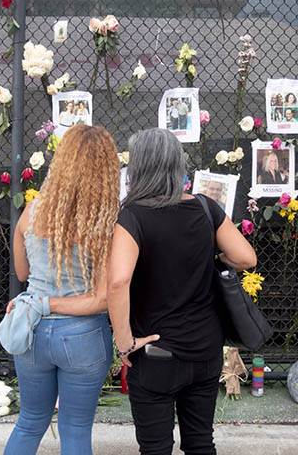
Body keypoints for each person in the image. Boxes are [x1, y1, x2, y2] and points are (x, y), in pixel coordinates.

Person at [107, 128, 256, 455]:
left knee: (156, 447)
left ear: (139, 168)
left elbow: (117, 282)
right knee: (201, 442)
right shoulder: (206, 208)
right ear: (177, 166)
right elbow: (246, 257)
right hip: (205, 348)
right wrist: (213, 256)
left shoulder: (132, 216)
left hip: (156, 352)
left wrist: (124, 343)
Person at [3, 125, 120, 455]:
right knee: (75, 430)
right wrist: (52, 302)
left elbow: (23, 272)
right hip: (82, 338)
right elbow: (100, 299)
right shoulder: (105, 222)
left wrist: (41, 301)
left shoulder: (31, 212)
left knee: (29, 421)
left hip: (31, 331)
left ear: (62, 161)